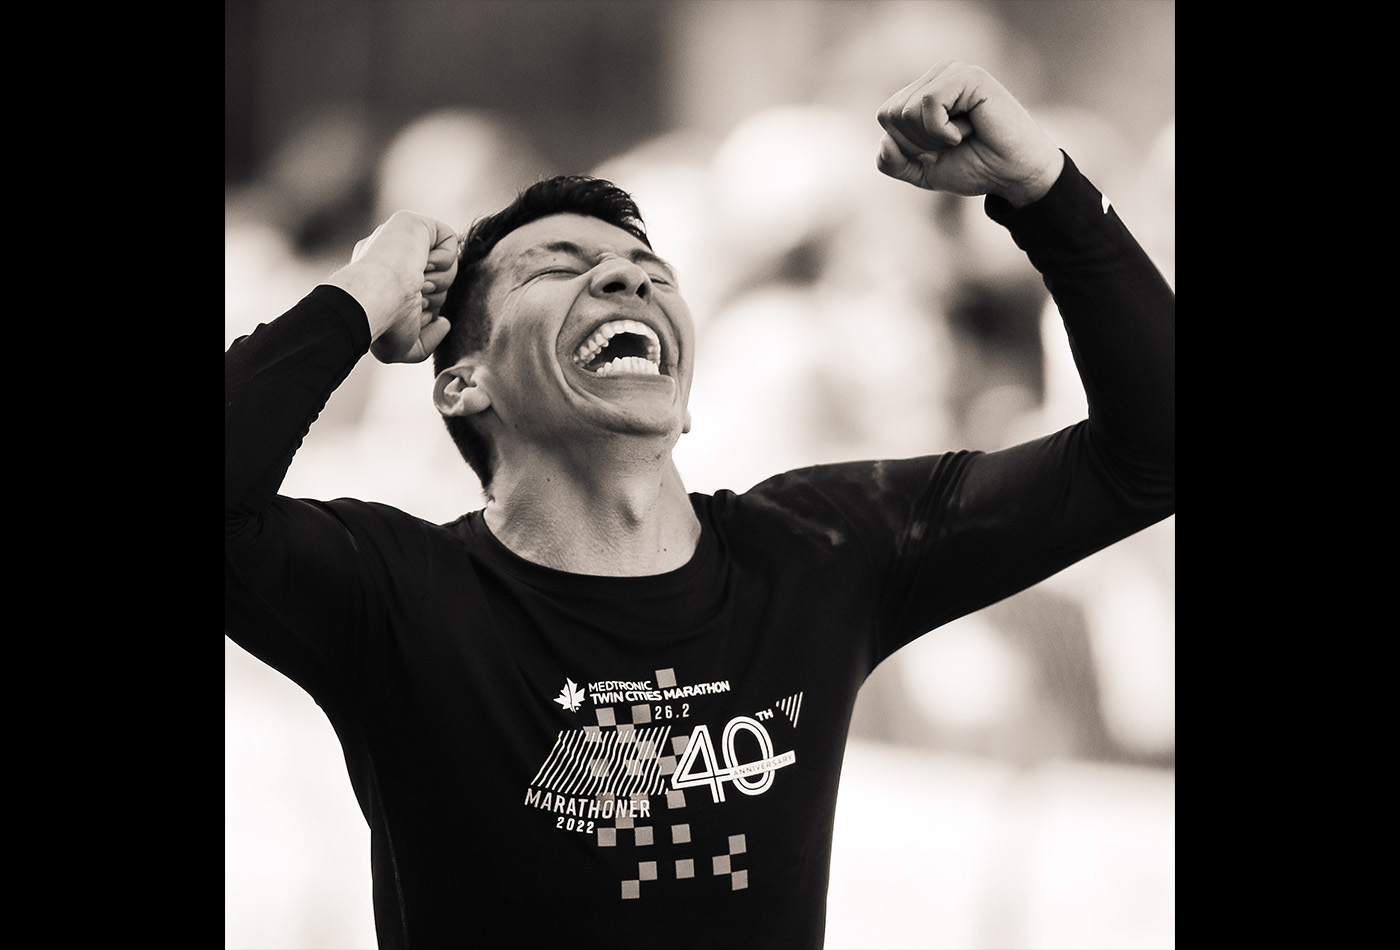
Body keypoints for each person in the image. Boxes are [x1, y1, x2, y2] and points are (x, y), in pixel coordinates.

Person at [225, 60, 1174, 949]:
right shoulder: (394, 592)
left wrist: (1045, 191)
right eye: (554, 267)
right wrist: (359, 294)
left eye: (650, 270)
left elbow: (1151, 451)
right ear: (462, 383)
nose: (626, 275)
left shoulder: (818, 547)